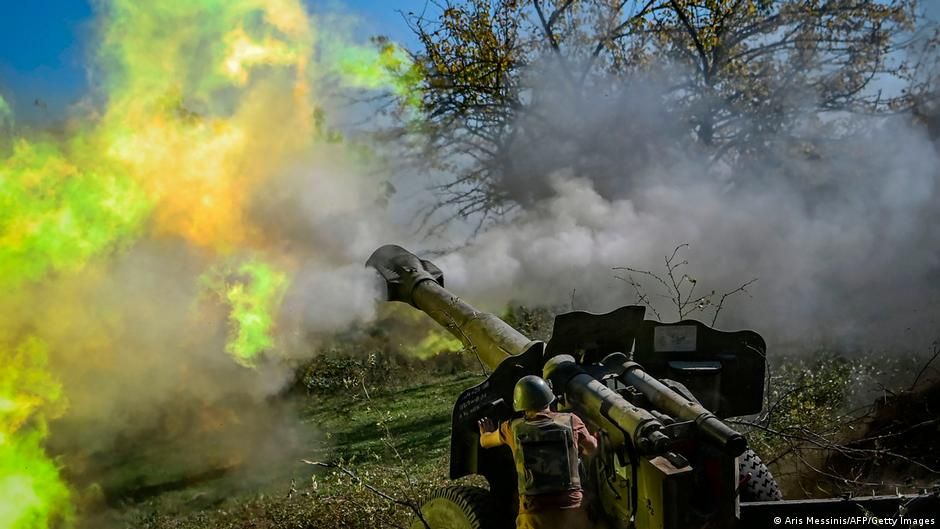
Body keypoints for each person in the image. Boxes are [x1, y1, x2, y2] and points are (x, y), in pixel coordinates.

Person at [477, 375, 598, 529]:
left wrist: (485, 433)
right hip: (571, 510)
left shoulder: (512, 428)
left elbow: (485, 442)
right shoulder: (572, 421)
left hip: (534, 513)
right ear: (549, 397)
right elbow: (592, 448)